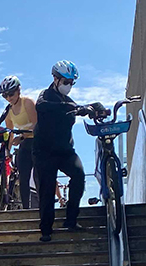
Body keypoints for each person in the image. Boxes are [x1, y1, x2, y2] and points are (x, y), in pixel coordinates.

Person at [32, 61, 106, 241]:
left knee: (79, 175)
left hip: (65, 151)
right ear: (55, 79)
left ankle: (71, 220)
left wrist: (96, 108)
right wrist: (73, 108)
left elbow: (83, 108)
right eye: (66, 81)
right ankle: (46, 230)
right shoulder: (45, 96)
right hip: (44, 152)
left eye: (72, 82)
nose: (69, 86)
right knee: (47, 189)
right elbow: (42, 106)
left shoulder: (70, 101)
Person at [0, 76, 38, 210]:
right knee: (23, 177)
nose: (9, 98)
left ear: (18, 90)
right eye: (5, 95)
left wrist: (22, 136)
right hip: (25, 143)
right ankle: (26, 208)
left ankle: (43, 206)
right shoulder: (8, 111)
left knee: (39, 175)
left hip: (37, 141)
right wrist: (7, 152)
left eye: (11, 94)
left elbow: (37, 125)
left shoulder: (27, 102)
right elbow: (10, 133)